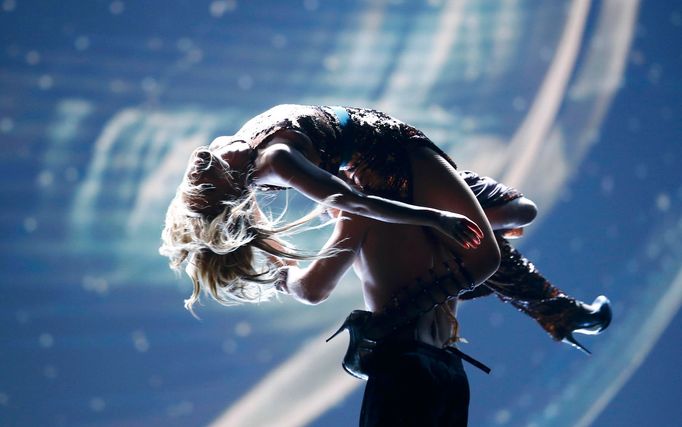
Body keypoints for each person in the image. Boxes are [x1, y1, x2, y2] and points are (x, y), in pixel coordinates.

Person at [159, 104, 611, 424]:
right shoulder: (271, 160)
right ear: (234, 187)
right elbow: (349, 199)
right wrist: (430, 216)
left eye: (205, 165)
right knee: (486, 253)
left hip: (392, 150)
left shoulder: (223, 150)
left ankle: (559, 313)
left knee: (517, 213)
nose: (209, 159)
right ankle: (555, 313)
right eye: (212, 171)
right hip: (391, 163)